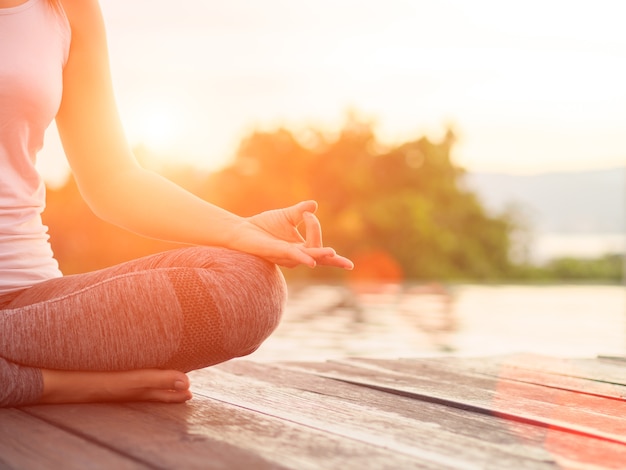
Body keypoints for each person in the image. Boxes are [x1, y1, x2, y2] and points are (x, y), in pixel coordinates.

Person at [0, 0, 353, 408]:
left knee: (250, 284)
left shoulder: (68, 10)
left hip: (31, 302)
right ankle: (62, 383)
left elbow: (113, 180)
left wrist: (241, 231)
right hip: (29, 333)